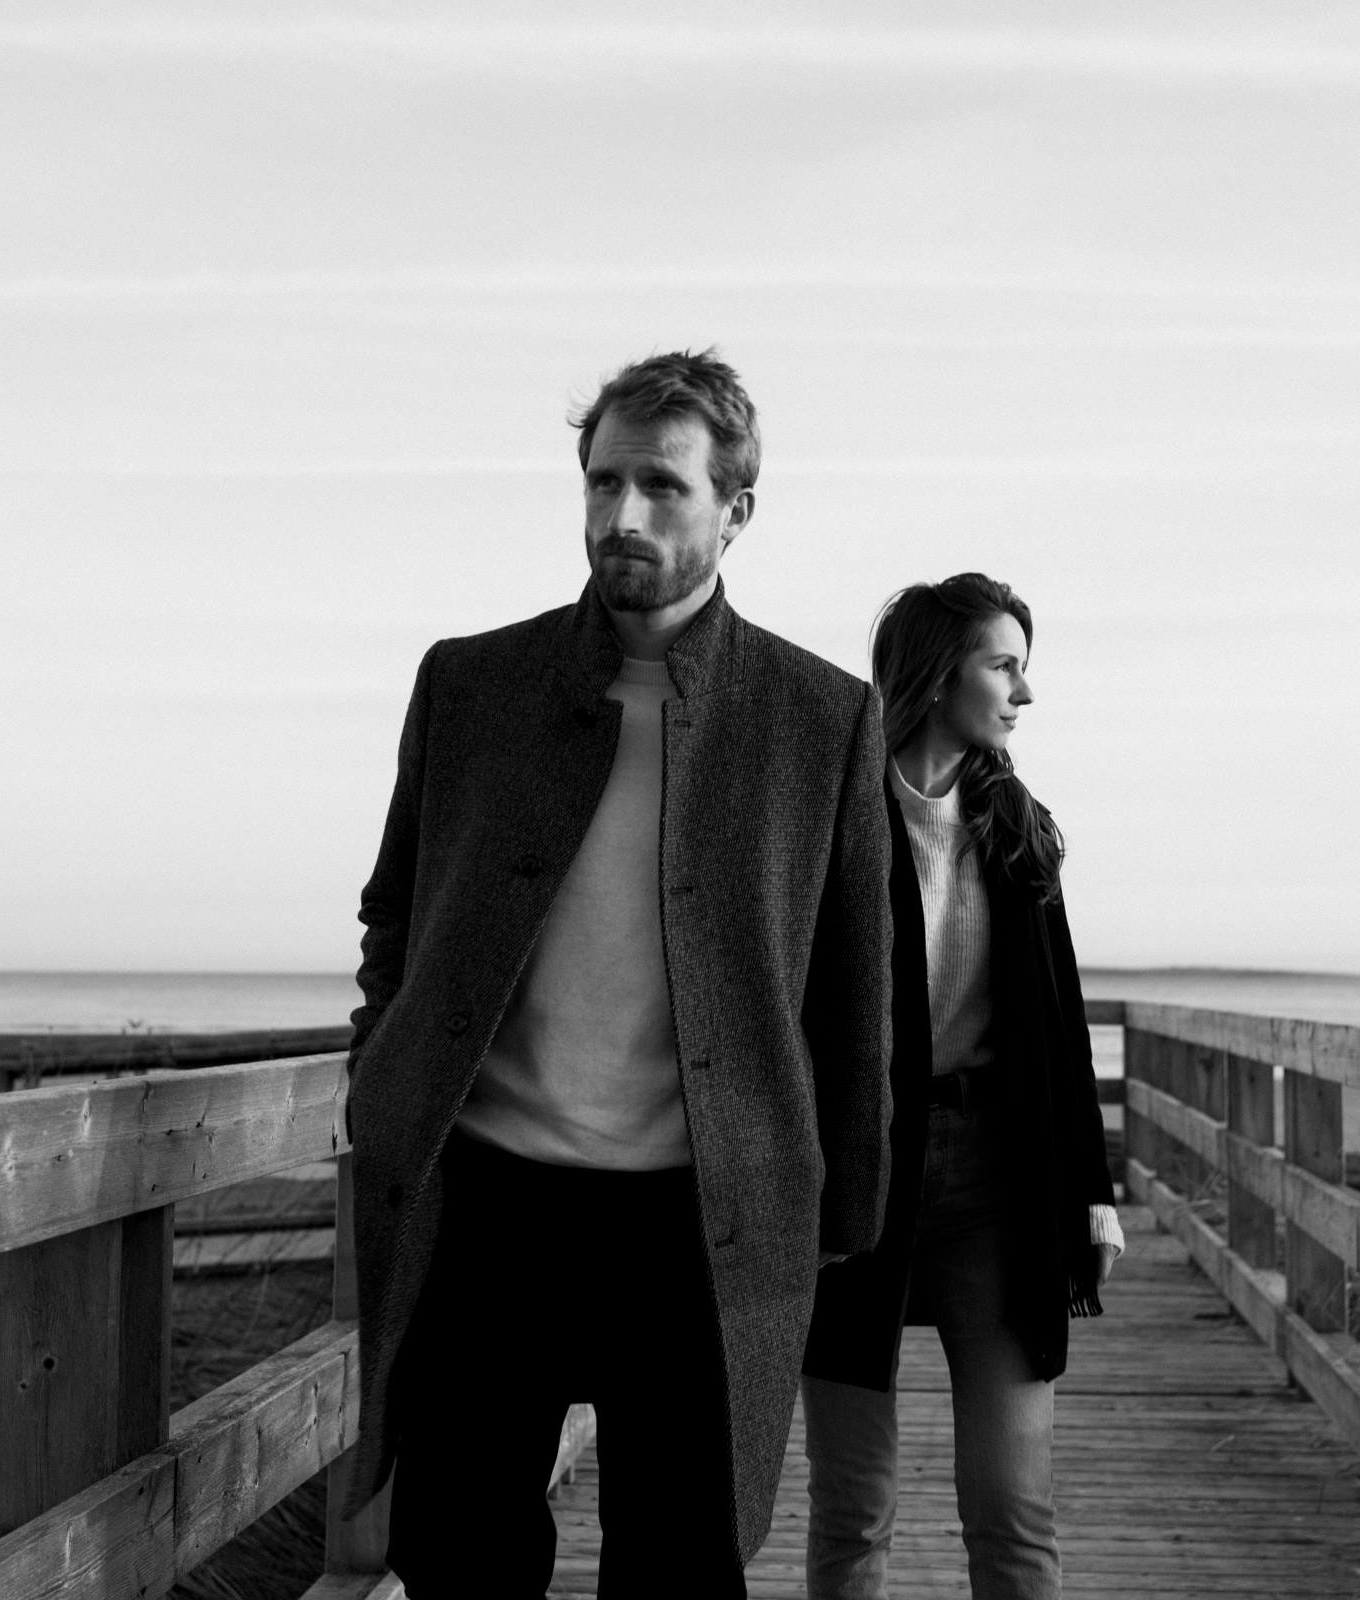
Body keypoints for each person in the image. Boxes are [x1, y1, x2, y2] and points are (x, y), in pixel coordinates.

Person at [339, 349, 893, 1597]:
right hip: (490, 1199)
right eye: (601, 482)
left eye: (661, 485)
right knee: (459, 1551)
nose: (622, 515)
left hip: (701, 1217)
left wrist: (847, 1218)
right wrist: (384, 1071)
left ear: (735, 511)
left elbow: (856, 997)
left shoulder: (821, 718)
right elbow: (394, 911)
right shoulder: (470, 684)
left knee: (680, 1567)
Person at [799, 573, 1121, 1600]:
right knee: (854, 1506)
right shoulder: (828, 820)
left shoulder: (1018, 829)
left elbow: (1060, 1027)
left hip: (999, 1176)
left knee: (1012, 1501)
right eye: (1005, 664)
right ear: (939, 675)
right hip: (852, 1175)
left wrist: (1095, 1191)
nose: (1024, 693)